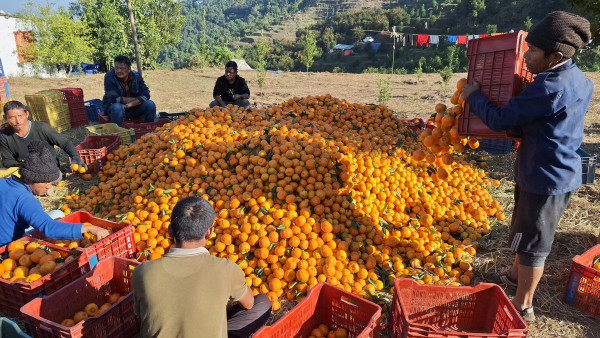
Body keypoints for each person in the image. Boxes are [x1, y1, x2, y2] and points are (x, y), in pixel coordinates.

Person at [461, 11, 593, 323]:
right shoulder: (578, 79)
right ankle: (512, 276)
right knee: (526, 229)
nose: (527, 56)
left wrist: (474, 97)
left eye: (533, 52)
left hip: (545, 176)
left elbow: (500, 120)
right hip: (548, 168)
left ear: (555, 55)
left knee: (535, 244)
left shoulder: (548, 88)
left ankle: (523, 305)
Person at [133, 196, 271, 338]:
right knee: (262, 303)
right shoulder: (226, 269)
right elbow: (249, 304)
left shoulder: (142, 272)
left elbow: (142, 314)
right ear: (209, 233)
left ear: (170, 231)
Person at [0, 140, 110, 246]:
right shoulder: (26, 200)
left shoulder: (3, 182)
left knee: (57, 214)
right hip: (8, 248)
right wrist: (89, 228)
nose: (49, 186)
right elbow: (49, 228)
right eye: (46, 182)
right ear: (32, 178)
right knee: (58, 216)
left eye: (51, 182)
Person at [0, 101, 85, 170]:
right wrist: (23, 165)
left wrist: (75, 157)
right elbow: (7, 160)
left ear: (27, 114)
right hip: (24, 169)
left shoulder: (42, 128)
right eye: (12, 117)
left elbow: (65, 143)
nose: (18, 121)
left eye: (20, 116)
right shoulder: (4, 136)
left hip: (49, 169)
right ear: (5, 118)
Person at [102, 55, 156, 127]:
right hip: (115, 109)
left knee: (150, 104)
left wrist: (128, 105)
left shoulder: (136, 76)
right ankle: (118, 133)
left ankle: (148, 130)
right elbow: (114, 98)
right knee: (117, 107)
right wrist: (137, 100)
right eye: (116, 68)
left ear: (129, 69)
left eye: (122, 68)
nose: (118, 71)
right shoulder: (109, 76)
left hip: (133, 107)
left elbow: (146, 95)